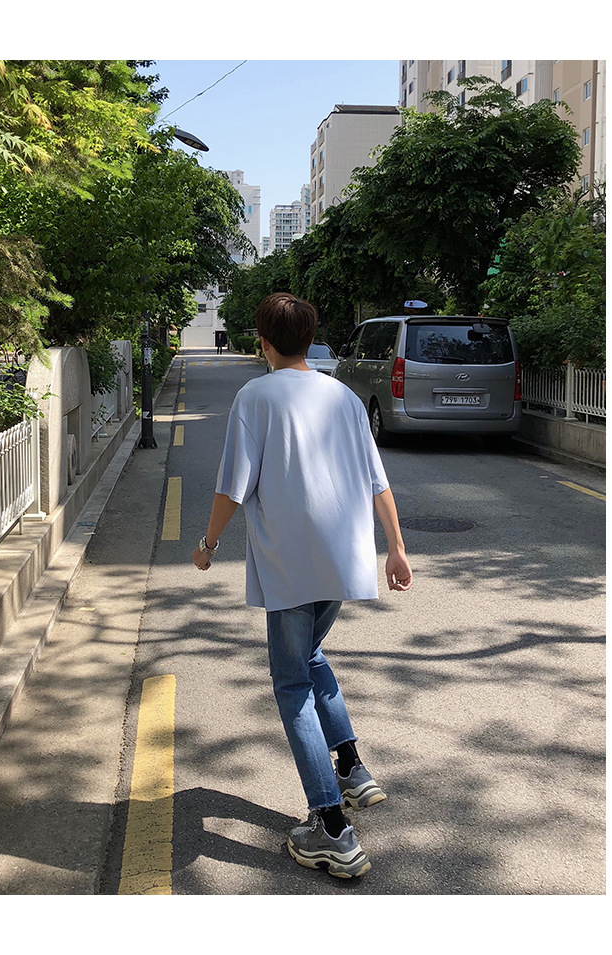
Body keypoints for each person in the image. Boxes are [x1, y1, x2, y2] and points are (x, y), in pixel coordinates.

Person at [192, 292, 413, 879]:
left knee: (291, 684)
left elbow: (232, 487)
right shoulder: (343, 396)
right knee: (310, 657)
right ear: (311, 340)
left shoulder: (255, 397)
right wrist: (396, 547)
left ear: (263, 342)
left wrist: (207, 545)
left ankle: (332, 829)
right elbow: (377, 481)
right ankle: (351, 768)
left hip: (289, 563)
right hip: (340, 559)